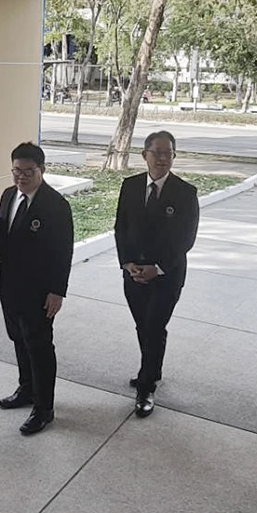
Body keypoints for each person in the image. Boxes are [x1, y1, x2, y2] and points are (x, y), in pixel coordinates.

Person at [0, 142, 74, 436]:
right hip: (8, 286)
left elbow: (63, 252)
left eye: (28, 172)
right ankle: (26, 390)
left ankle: (44, 408)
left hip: (38, 292)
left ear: (42, 170)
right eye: (16, 171)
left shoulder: (56, 205)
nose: (21, 177)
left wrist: (57, 291)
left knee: (40, 348)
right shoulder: (8, 194)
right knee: (19, 341)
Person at [113, 130, 199, 417]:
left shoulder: (186, 193)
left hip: (167, 276)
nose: (162, 158)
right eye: (157, 152)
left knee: (153, 326)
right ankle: (152, 368)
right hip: (133, 273)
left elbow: (186, 239)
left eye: (168, 153)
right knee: (143, 326)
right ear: (144, 155)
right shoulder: (130, 186)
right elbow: (121, 228)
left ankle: (146, 386)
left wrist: (158, 268)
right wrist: (127, 263)